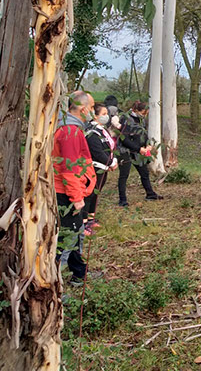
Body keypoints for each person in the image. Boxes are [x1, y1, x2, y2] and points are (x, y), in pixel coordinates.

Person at [53, 91, 97, 287]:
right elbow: (69, 168)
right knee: (68, 237)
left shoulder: (71, 128)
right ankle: (53, 282)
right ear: (83, 109)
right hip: (65, 194)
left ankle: (80, 273)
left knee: (75, 232)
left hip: (69, 192)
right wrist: (76, 197)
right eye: (93, 108)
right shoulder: (70, 131)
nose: (94, 112)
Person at [117, 101, 161, 205]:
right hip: (125, 151)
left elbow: (143, 134)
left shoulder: (141, 120)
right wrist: (138, 149)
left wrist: (147, 145)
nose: (145, 115)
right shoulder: (125, 119)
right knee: (124, 175)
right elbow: (124, 139)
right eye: (143, 113)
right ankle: (122, 200)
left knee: (144, 172)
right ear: (135, 110)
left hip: (139, 150)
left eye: (146, 113)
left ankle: (150, 194)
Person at [83, 102, 118, 235]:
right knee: (90, 194)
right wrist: (110, 162)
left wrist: (113, 160)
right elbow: (97, 152)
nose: (106, 116)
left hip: (104, 167)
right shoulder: (92, 132)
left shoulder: (102, 130)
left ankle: (91, 218)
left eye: (106, 114)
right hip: (94, 168)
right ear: (95, 116)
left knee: (96, 193)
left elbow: (109, 147)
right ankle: (84, 222)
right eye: (103, 114)